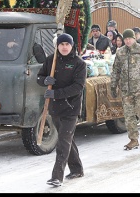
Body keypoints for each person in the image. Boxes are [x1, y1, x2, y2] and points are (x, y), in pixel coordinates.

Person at [37, 33, 86, 187]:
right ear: (57, 46)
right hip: (55, 108)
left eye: (67, 44)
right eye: (61, 44)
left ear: (72, 46)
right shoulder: (51, 60)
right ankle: (77, 169)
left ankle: (57, 176)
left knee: (63, 141)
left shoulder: (79, 63)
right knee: (67, 139)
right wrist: (45, 80)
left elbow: (78, 87)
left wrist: (56, 93)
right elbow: (39, 77)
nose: (64, 47)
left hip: (71, 107)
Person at [110, 29, 140, 150]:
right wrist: (113, 85)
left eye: (129, 39)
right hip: (126, 90)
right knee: (129, 116)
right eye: (125, 39)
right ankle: (133, 139)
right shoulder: (120, 53)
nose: (127, 41)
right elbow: (116, 70)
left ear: (134, 38)